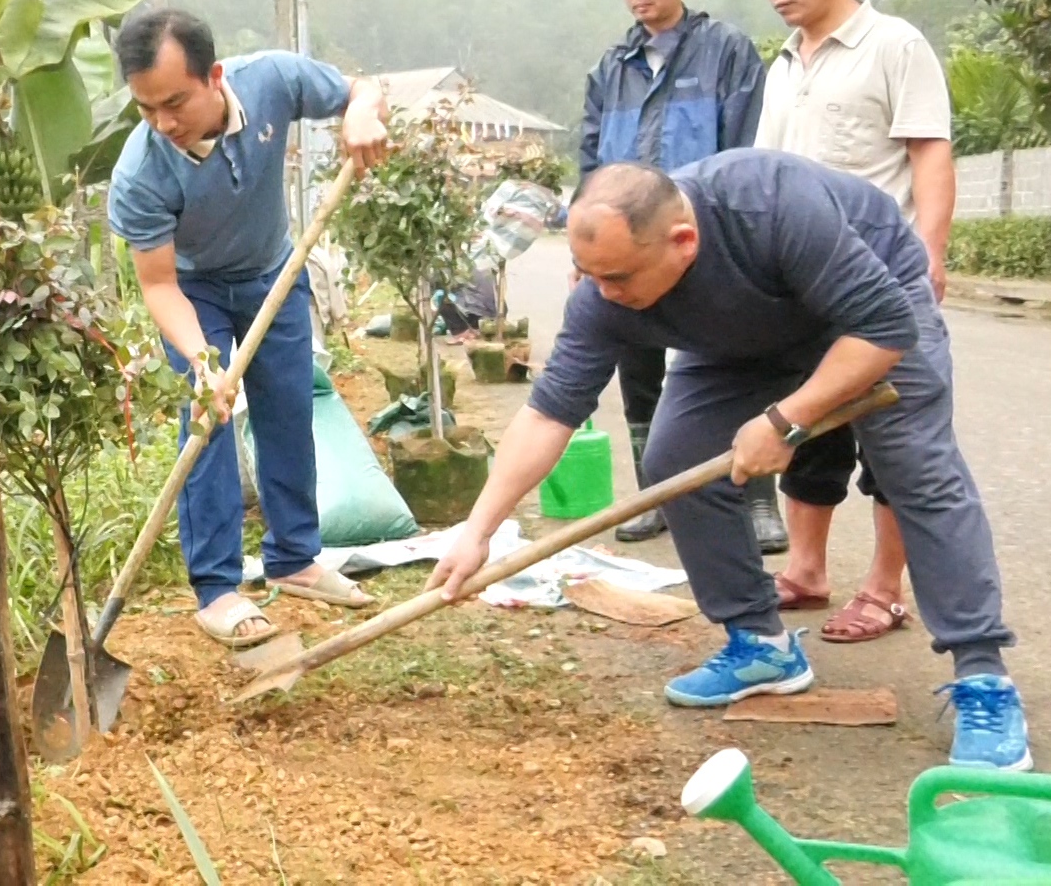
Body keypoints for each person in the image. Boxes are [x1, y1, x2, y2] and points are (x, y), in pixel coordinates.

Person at [428, 155, 1030, 771]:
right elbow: (548, 414)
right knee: (673, 457)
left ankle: (983, 676)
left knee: (916, 471)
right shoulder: (605, 294)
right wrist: (478, 533)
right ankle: (760, 645)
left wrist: (783, 421)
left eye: (618, 278)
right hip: (745, 338)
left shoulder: (770, 205)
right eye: (589, 275)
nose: (604, 295)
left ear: (683, 242)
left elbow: (883, 329)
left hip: (871, 313)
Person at [107, 9, 389, 648]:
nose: (164, 123)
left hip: (273, 272)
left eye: (175, 102)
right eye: (146, 109)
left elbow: (361, 89)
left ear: (214, 76)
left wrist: (361, 113)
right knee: (207, 422)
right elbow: (158, 285)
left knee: (288, 411)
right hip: (195, 289)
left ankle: (295, 558)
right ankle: (217, 589)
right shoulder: (141, 172)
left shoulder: (273, 80)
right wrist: (203, 363)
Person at [744, 0, 958, 645]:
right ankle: (805, 570)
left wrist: (929, 250)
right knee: (807, 427)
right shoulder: (781, 66)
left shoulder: (894, 46)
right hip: (803, 287)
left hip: (879, 279)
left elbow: (929, 150)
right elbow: (766, 174)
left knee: (894, 441)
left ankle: (884, 589)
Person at [580, 0, 785, 551]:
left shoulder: (726, 52)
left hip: (702, 239)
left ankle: (755, 501)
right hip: (625, 248)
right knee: (637, 370)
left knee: (735, 364)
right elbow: (590, 161)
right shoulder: (608, 71)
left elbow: (747, 147)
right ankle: (654, 495)